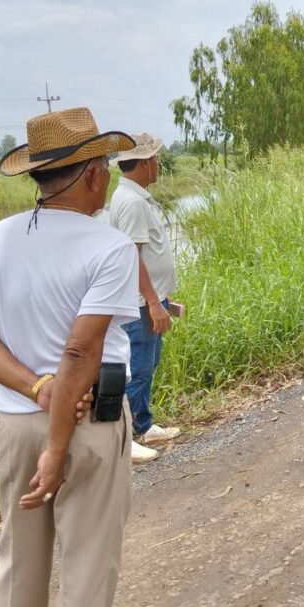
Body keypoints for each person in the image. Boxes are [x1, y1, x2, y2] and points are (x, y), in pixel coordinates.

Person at [0, 107, 139, 607]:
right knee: (87, 567)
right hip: (85, 424)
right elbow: (80, 351)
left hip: (13, 425)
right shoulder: (110, 247)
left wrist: (37, 388)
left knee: (19, 566)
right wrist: (57, 448)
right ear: (92, 175)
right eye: (104, 167)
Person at [108, 133, 181, 463]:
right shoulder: (133, 202)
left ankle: (143, 425)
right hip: (140, 303)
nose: (158, 164)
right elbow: (131, 257)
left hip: (148, 298)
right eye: (154, 159)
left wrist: (161, 297)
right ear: (143, 163)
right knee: (138, 367)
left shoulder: (134, 197)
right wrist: (152, 301)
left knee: (146, 364)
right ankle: (130, 434)